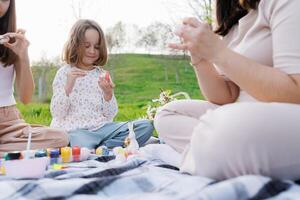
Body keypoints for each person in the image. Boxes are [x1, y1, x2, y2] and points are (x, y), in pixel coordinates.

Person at [154, 0, 300, 181]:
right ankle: (209, 154)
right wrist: (200, 56)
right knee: (168, 115)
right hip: (240, 118)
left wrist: (218, 52)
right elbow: (226, 96)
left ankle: (201, 155)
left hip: (284, 113)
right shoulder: (234, 22)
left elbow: (296, 93)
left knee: (224, 127)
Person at [50, 19, 153, 150]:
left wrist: (108, 94)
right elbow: (57, 113)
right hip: (76, 132)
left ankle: (102, 147)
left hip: (103, 129)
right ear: (75, 45)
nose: (92, 51)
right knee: (73, 141)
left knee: (145, 126)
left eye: (97, 47)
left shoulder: (101, 74)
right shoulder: (64, 73)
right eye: (86, 46)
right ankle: (105, 147)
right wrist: (68, 86)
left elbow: (110, 115)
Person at [0, 0, 68, 157]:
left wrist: (23, 55)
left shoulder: (11, 41)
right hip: (9, 139)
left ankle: (8, 149)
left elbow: (26, 97)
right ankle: (11, 151)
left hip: (9, 122)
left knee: (61, 138)